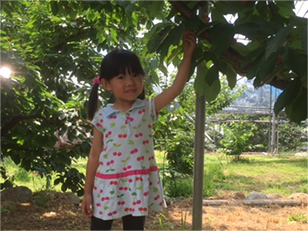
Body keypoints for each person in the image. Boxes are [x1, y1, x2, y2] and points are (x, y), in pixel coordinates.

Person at [81, 31, 196, 230]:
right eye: (121, 77)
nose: (130, 82)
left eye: (135, 75)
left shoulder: (147, 108)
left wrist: (187, 55)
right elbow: (94, 155)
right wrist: (87, 192)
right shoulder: (103, 116)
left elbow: (176, 89)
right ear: (107, 84)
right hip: (106, 184)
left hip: (136, 184)